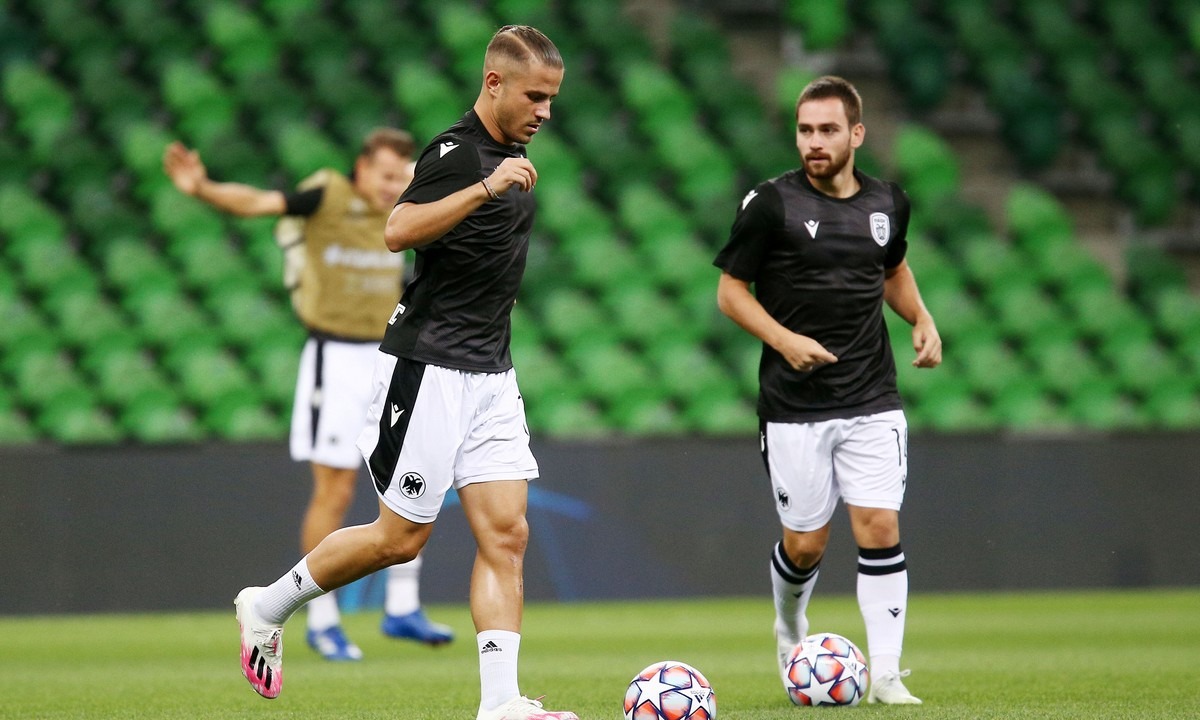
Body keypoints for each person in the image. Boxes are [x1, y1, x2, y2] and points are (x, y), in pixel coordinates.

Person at [232, 25, 577, 720]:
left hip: (491, 372)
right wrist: (485, 187)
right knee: (400, 539)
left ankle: (501, 703)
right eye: (534, 97)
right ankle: (267, 606)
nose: (545, 111)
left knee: (506, 534)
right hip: (429, 366)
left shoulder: (511, 155)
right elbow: (397, 229)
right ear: (494, 84)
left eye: (551, 99)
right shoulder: (457, 154)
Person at [163, 128, 454, 662]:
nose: (393, 185)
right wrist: (203, 188)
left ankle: (403, 607)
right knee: (335, 490)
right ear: (362, 167)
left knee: (411, 478)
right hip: (335, 358)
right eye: (386, 175)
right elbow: (260, 202)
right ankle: (322, 619)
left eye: (401, 176)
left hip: (391, 355)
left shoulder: (406, 211)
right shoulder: (327, 194)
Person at [713, 75, 942, 705]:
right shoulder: (771, 204)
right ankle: (790, 626)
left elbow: (893, 269)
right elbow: (730, 292)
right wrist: (784, 340)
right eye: (805, 130)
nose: (814, 142)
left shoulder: (889, 203)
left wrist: (921, 318)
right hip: (794, 406)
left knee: (879, 525)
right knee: (806, 543)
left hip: (871, 396)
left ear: (856, 134)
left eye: (828, 130)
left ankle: (887, 674)